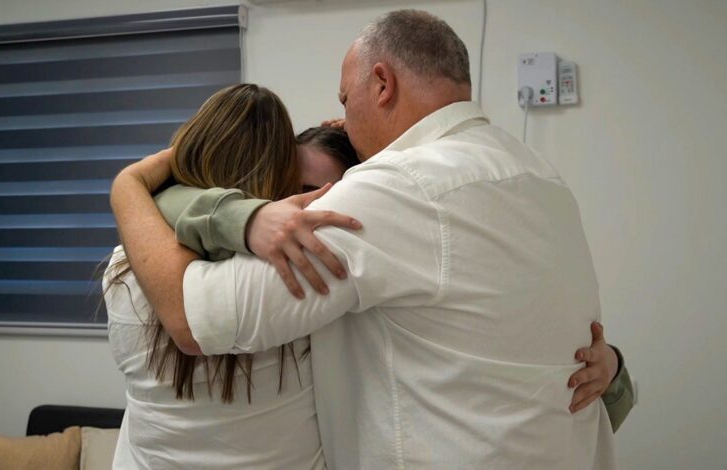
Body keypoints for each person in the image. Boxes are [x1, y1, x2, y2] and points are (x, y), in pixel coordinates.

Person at [111, 11, 635, 468]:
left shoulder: (398, 190)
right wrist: (612, 369)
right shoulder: (539, 178)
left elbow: (194, 317)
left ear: (382, 84)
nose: (343, 117)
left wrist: (129, 184)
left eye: (347, 98)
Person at [103, 84, 361, 469]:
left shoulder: (122, 270)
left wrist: (131, 183)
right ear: (279, 181)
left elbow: (157, 214)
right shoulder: (296, 274)